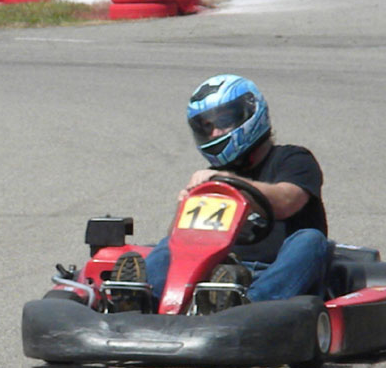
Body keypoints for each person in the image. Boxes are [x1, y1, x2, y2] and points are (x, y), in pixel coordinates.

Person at [126, 74, 332, 309]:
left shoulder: (294, 159)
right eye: (207, 127)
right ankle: (139, 300)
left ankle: (248, 305)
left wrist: (231, 183)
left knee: (311, 240)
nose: (214, 133)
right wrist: (185, 205)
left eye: (223, 121)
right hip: (217, 275)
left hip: (273, 273)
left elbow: (287, 202)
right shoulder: (211, 178)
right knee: (169, 243)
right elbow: (185, 241)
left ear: (249, 113)